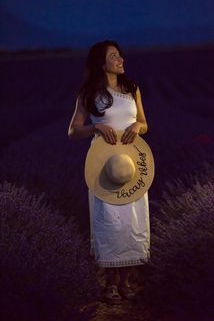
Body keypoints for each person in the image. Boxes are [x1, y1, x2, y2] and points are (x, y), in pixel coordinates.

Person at [68, 40, 150, 304]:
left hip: (131, 166)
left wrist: (138, 126)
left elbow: (145, 124)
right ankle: (110, 285)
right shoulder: (89, 93)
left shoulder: (132, 88)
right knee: (109, 223)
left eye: (120, 55)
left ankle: (126, 282)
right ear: (101, 64)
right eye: (114, 56)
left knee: (131, 222)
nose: (120, 59)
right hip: (105, 166)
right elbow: (73, 131)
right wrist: (95, 128)